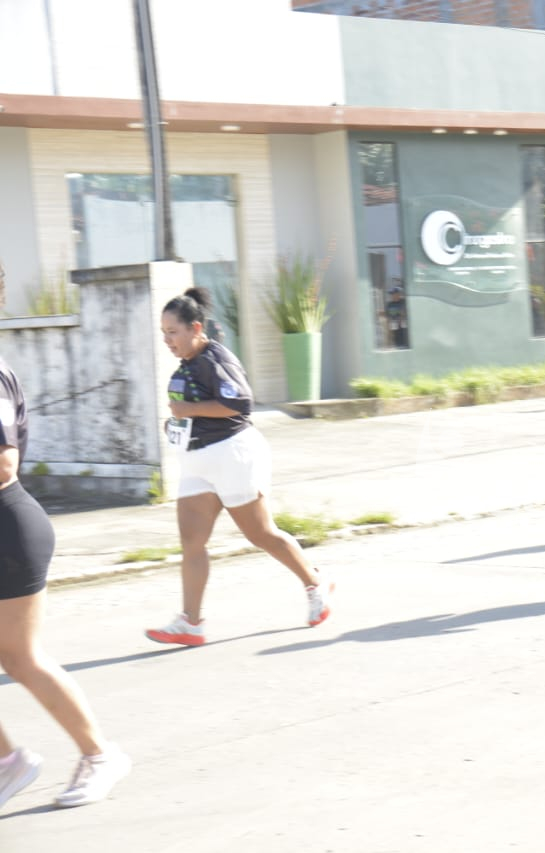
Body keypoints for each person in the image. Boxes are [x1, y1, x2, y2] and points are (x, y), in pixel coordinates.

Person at [145, 287, 333, 646]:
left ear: (195, 328)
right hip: (197, 461)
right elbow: (193, 409)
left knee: (260, 534)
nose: (167, 340)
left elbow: (240, 403)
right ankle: (190, 623)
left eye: (173, 332)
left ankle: (315, 582)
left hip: (233, 454)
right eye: (163, 333)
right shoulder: (188, 363)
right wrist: (177, 424)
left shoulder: (215, 359)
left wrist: (189, 411)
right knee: (192, 542)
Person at [0, 356, 131, 810]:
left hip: (8, 531)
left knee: (21, 657)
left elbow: (4, 464)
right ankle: (8, 763)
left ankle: (100, 756)